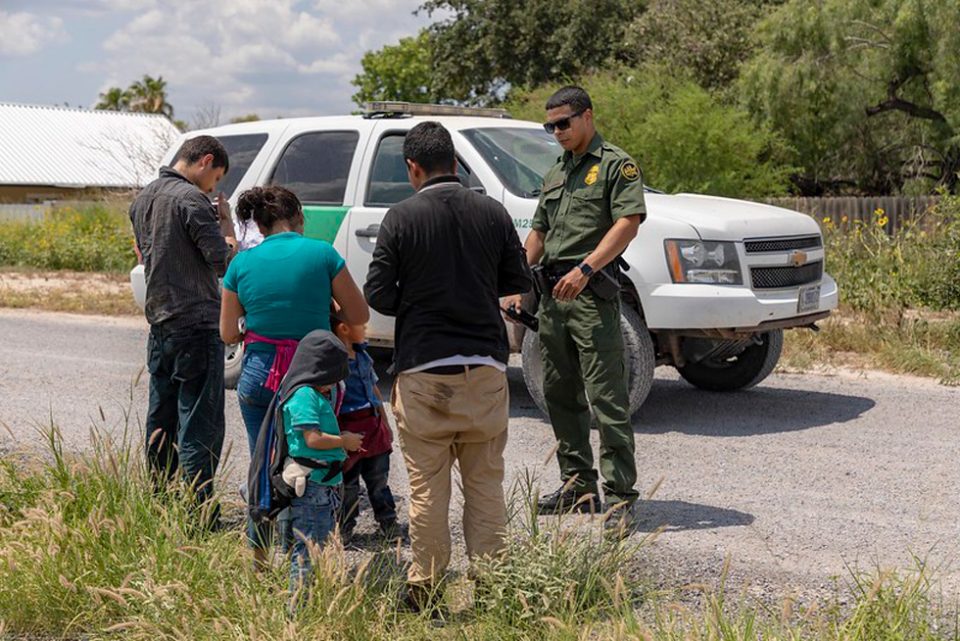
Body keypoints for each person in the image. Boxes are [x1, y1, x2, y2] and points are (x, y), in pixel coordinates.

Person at [364, 121, 532, 613]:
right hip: (483, 370)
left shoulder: (400, 217)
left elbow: (377, 293)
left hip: (423, 373)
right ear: (455, 163)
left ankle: (427, 593)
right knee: (485, 488)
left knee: (426, 493)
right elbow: (516, 278)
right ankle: (493, 591)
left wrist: (416, 302)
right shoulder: (493, 212)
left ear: (412, 168)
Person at [503, 86, 647, 533]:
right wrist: (515, 282)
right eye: (551, 126)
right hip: (552, 299)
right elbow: (540, 232)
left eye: (564, 122)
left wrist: (586, 268)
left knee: (607, 398)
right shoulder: (556, 172)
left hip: (589, 295)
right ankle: (578, 485)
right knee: (559, 394)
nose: (557, 132)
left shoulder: (614, 165)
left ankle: (620, 496)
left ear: (587, 116)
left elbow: (629, 223)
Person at [219, 185, 369, 567]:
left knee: (262, 464)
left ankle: (259, 559)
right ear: (298, 216)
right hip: (313, 380)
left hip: (260, 376)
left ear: (261, 224)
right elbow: (358, 315)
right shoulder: (322, 253)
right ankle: (302, 556)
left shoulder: (241, 264)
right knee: (310, 462)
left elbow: (227, 334)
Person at [129, 135, 238, 522]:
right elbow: (222, 260)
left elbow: (145, 256)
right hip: (196, 321)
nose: (213, 188)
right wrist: (226, 224)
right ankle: (199, 513)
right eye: (216, 178)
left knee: (161, 417)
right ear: (205, 161)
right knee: (199, 421)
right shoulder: (192, 200)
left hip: (159, 322)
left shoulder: (143, 199)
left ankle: (158, 502)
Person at [269, 329, 364, 596]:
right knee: (306, 554)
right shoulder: (304, 396)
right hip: (313, 489)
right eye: (330, 380)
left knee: (315, 549)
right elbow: (312, 439)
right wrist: (343, 441)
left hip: (324, 485)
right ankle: (297, 613)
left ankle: (304, 605)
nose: (332, 387)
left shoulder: (312, 393)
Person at [329, 312, 399, 542]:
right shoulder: (335, 361)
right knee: (348, 484)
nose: (366, 330)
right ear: (344, 329)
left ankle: (388, 521)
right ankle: (346, 526)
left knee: (379, 479)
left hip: (372, 424)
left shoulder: (363, 355)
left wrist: (384, 420)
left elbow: (374, 387)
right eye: (362, 325)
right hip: (348, 427)